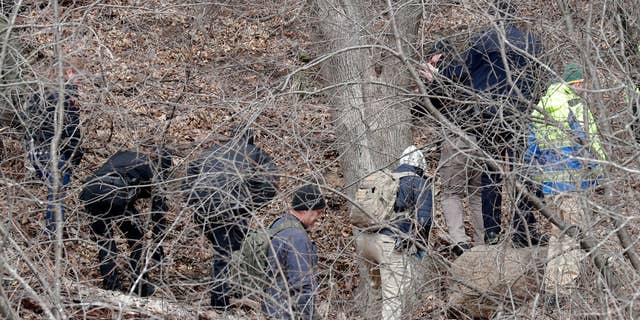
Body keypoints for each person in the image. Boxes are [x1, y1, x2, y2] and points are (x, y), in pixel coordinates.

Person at [420, 0, 546, 247]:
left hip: (489, 118)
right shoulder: (532, 42)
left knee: (491, 176)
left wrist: (436, 77)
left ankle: (491, 232)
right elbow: (540, 80)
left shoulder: (483, 41)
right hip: (520, 114)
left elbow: (460, 73)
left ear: (492, 16)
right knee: (523, 173)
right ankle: (524, 230)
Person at [525, 63, 605, 299]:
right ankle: (566, 290)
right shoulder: (574, 106)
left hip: (551, 187)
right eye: (584, 84)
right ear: (577, 83)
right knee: (572, 237)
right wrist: (598, 176)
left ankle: (551, 288)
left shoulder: (542, 107)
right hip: (573, 183)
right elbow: (589, 145)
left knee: (557, 236)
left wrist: (539, 181)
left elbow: (531, 151)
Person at [184, 126, 279, 310]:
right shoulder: (254, 153)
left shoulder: (213, 151)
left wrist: (193, 201)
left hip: (203, 208)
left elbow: (190, 176)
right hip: (231, 209)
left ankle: (230, 290)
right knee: (225, 252)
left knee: (226, 248)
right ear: (251, 139)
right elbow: (270, 184)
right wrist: (250, 203)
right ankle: (220, 304)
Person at [79, 148, 171, 297]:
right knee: (137, 238)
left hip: (90, 191)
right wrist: (157, 245)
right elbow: (158, 212)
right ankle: (140, 285)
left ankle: (111, 286)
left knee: (104, 241)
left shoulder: (123, 155)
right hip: (116, 194)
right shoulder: (155, 170)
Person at [354, 145, 432, 320]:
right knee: (394, 296)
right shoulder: (419, 182)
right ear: (421, 166)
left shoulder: (386, 177)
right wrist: (420, 246)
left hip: (365, 239)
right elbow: (424, 220)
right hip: (388, 243)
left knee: (376, 290)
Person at [423, 40, 485, 255]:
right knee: (477, 194)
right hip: (480, 140)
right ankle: (482, 242)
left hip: (456, 140)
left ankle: (460, 241)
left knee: (451, 193)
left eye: (430, 58)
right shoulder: (472, 70)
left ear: (437, 57)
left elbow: (431, 103)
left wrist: (432, 80)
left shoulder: (446, 73)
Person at [25, 68, 83, 234]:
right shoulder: (68, 97)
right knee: (57, 194)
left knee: (54, 191)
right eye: (76, 75)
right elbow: (72, 131)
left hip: (35, 152)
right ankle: (53, 234)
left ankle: (52, 232)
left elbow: (28, 126)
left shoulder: (38, 94)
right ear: (66, 73)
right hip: (54, 152)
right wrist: (75, 156)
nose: (79, 81)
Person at [262, 184, 325, 320]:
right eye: (318, 212)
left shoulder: (279, 224)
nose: (319, 217)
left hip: (269, 307)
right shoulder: (297, 238)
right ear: (305, 210)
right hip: (284, 312)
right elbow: (303, 287)